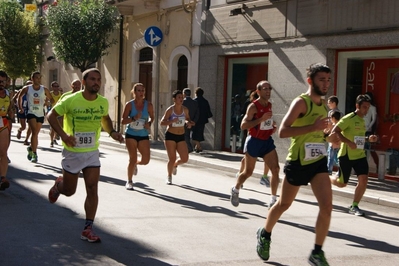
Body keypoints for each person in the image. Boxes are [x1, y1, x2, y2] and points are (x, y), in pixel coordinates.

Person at [256, 63, 332, 265]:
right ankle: (265, 234)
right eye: (321, 79)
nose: (326, 84)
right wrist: (312, 126)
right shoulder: (301, 103)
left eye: (328, 79)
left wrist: (330, 135)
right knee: (284, 204)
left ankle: (317, 252)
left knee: (327, 206)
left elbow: (321, 133)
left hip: (318, 161)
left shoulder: (324, 105)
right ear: (310, 81)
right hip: (298, 161)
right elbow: (283, 131)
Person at [47, 68, 124, 243]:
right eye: (92, 79)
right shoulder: (71, 100)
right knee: (69, 191)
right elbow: (51, 115)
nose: (96, 82)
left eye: (99, 79)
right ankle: (58, 186)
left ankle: (88, 228)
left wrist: (112, 132)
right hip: (73, 153)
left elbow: (105, 118)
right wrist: (63, 136)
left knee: (92, 188)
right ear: (84, 82)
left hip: (91, 153)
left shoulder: (102, 102)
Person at [230, 80, 280, 209]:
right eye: (265, 89)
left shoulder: (269, 105)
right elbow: (243, 125)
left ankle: (273, 200)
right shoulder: (253, 106)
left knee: (275, 170)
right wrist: (261, 119)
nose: (268, 91)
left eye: (269, 89)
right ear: (258, 92)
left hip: (267, 141)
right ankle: (235, 189)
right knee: (248, 172)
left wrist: (272, 127)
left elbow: (266, 123)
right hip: (254, 141)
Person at [329, 94, 378, 216]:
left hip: (360, 155)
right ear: (357, 106)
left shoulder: (362, 120)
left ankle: (354, 206)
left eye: (368, 107)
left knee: (364, 179)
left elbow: (359, 139)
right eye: (364, 107)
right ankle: (326, 178)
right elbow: (335, 131)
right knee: (342, 184)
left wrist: (368, 139)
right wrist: (348, 142)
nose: (366, 110)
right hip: (346, 155)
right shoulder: (349, 118)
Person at [121, 83, 154, 190]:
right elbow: (123, 121)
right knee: (132, 158)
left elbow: (152, 117)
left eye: (142, 91)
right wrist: (134, 118)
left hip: (143, 134)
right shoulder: (129, 105)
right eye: (139, 91)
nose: (141, 93)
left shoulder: (148, 105)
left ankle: (135, 164)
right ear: (134, 92)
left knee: (146, 160)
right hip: (131, 134)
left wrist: (149, 123)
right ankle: (129, 181)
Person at [18, 71, 54, 163]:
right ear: (32, 79)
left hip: (40, 113)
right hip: (31, 112)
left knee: (35, 134)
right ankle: (34, 153)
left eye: (39, 78)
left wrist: (47, 103)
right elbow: (19, 97)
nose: (38, 79)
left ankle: (31, 147)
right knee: (34, 132)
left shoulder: (44, 89)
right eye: (36, 78)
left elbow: (51, 99)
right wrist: (20, 108)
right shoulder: (27, 88)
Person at [160, 90, 195, 185]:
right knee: (172, 158)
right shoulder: (170, 110)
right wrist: (171, 121)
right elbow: (162, 122)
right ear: (174, 99)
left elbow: (187, 119)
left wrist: (189, 123)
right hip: (170, 136)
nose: (181, 99)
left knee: (185, 158)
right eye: (179, 97)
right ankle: (169, 176)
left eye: (182, 97)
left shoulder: (185, 110)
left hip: (181, 136)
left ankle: (175, 165)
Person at [0, 70, 14, 190]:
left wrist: (11, 114)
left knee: (3, 152)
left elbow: (10, 108)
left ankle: (2, 178)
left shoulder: (8, 94)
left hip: (3, 123)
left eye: (3, 81)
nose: (1, 83)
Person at [192, 87, 212, 152]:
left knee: (194, 134)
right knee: (199, 133)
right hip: (203, 120)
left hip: (195, 120)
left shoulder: (194, 101)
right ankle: (197, 147)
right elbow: (208, 111)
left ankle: (199, 146)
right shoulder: (205, 101)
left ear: (196, 93)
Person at [363, 91, 379, 170]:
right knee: (362, 148)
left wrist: (370, 126)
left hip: (368, 130)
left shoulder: (373, 108)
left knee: (370, 148)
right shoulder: (363, 107)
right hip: (362, 129)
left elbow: (374, 119)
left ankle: (378, 165)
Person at [182, 88, 199, 153]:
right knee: (187, 134)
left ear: (184, 94)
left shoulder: (183, 102)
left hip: (184, 121)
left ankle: (189, 147)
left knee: (185, 135)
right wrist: (194, 121)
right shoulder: (194, 102)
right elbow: (197, 113)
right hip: (192, 121)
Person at [48, 81, 63, 147]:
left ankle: (55, 138)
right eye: (55, 86)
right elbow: (46, 101)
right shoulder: (50, 94)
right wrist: (48, 102)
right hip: (52, 112)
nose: (56, 88)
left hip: (60, 112)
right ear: (52, 87)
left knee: (60, 126)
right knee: (52, 128)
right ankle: (51, 141)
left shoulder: (61, 94)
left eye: (57, 86)